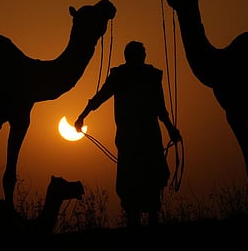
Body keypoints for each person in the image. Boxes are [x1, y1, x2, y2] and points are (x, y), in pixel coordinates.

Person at [74, 40, 182, 228]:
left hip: (134, 140)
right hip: (143, 139)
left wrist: (82, 116)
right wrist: (170, 129)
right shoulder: (147, 76)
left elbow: (99, 98)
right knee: (146, 186)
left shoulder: (126, 76)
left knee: (140, 185)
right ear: (141, 56)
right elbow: (161, 109)